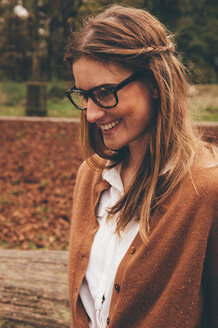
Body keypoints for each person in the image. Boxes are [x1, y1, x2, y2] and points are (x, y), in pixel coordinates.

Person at [64, 5, 218, 328]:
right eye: (84, 95)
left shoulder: (207, 190)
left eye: (105, 93)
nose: (91, 114)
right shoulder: (91, 176)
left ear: (155, 83)